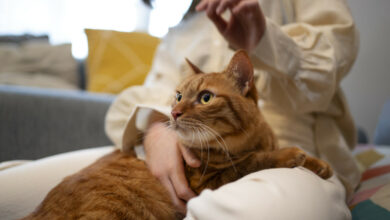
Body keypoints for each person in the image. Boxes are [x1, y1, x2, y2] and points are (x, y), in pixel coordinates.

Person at [0, 0, 360, 219]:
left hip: (279, 156)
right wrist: (156, 128)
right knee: (7, 188)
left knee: (269, 212)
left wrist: (267, 41)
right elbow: (144, 96)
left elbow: (333, 62)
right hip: (158, 152)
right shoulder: (180, 28)